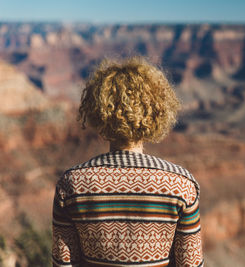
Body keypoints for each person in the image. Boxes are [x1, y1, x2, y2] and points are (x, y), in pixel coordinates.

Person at [52, 57, 204, 267]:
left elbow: (63, 264)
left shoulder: (71, 184)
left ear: (98, 110)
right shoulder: (181, 185)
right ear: (158, 110)